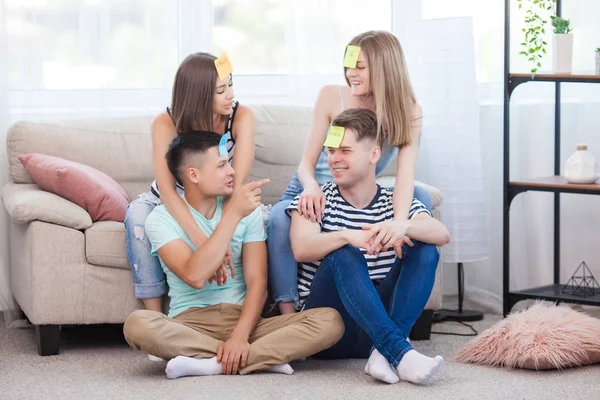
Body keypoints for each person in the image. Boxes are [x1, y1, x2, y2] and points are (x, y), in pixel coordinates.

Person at [123, 132, 344, 378]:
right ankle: (259, 358)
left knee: (330, 321)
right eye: (221, 165)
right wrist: (232, 216)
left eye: (229, 162)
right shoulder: (161, 219)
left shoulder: (248, 214)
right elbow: (195, 274)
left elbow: (258, 284)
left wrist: (239, 337)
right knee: (137, 325)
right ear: (193, 175)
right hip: (190, 324)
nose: (231, 171)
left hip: (245, 322)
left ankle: (210, 363)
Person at [267, 30, 431, 314]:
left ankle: (393, 302)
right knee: (279, 216)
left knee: (421, 196)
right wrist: (311, 188)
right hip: (313, 189)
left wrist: (400, 224)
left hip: (355, 190)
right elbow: (306, 164)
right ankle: (287, 314)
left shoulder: (409, 111)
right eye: (347, 65)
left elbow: (405, 178)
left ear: (382, 67)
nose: (350, 73)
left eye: (359, 66)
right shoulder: (332, 96)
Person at [287, 108, 450, 385]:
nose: (334, 159)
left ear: (374, 155)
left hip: (377, 328)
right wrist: (347, 236)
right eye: (331, 151)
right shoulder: (316, 199)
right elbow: (301, 248)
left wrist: (403, 226)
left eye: (345, 151)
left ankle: (383, 353)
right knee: (342, 254)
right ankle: (399, 352)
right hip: (332, 333)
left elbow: (441, 234)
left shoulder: (393, 202)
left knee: (425, 248)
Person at [125, 52, 255, 313]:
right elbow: (167, 191)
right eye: (221, 90)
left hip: (221, 195)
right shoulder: (165, 123)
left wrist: (222, 236)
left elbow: (235, 184)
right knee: (137, 215)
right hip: (175, 197)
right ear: (198, 94)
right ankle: (155, 320)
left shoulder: (242, 116)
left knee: (263, 219)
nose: (230, 95)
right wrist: (204, 242)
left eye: (231, 85)